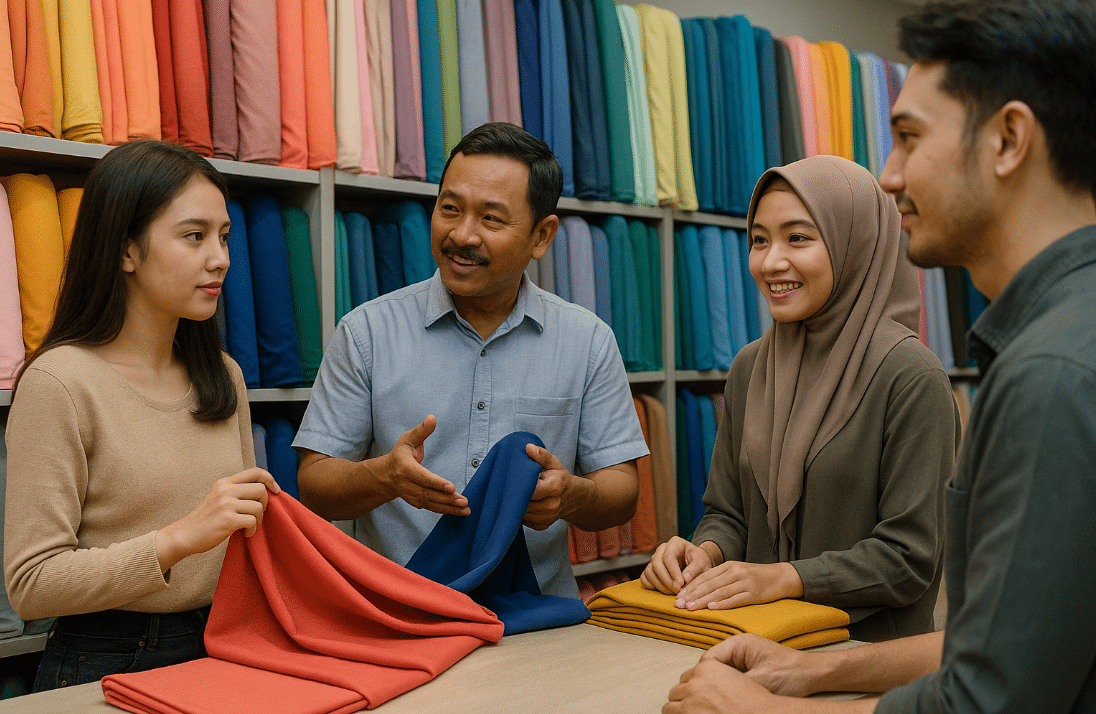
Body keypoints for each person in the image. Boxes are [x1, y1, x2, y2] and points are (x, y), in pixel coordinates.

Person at [663, 0, 1096, 712]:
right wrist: (805, 673)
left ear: (1008, 139)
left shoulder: (1051, 373)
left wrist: (770, 709)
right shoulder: (1047, 346)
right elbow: (991, 643)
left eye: (908, 137)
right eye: (760, 239)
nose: (889, 175)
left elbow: (989, 696)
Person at [294, 122, 648, 599]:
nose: (462, 235)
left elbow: (621, 488)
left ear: (541, 237)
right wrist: (386, 476)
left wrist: (573, 495)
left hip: (535, 623)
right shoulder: (367, 333)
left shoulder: (587, 341)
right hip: (401, 613)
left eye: (491, 219)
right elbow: (315, 481)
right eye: (450, 210)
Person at [641, 155, 959, 643]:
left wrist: (786, 578)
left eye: (799, 238)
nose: (770, 262)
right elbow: (728, 513)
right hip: (757, 647)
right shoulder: (750, 368)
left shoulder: (910, 377)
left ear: (856, 244)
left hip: (865, 663)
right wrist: (702, 552)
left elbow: (910, 558)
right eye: (759, 240)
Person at [3, 141, 280, 691]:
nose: (221, 257)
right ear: (126, 249)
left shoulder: (222, 375)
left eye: (224, 236)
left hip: (224, 645)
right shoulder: (60, 382)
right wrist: (179, 538)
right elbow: (31, 584)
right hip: (104, 660)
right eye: (194, 236)